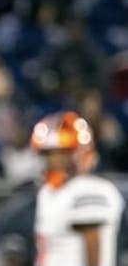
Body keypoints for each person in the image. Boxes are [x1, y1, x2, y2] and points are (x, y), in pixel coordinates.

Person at [30, 111, 125, 266]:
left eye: (61, 153)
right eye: (47, 154)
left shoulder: (90, 190)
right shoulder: (48, 192)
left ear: (78, 152)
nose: (52, 160)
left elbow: (93, 246)